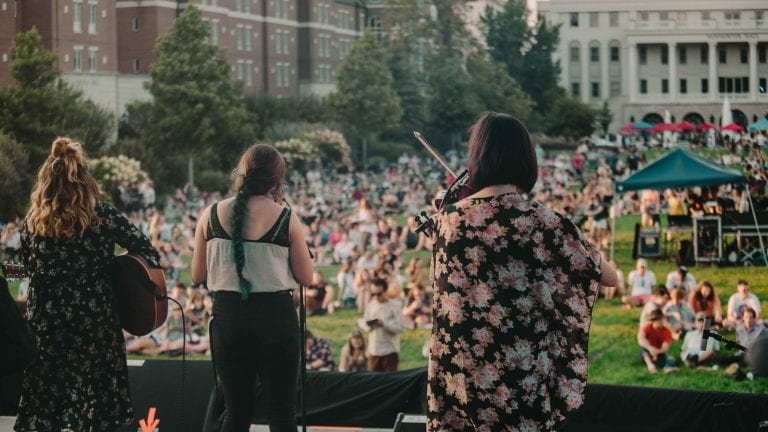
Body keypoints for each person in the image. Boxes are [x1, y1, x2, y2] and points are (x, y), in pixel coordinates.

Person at [427, 113, 617, 431]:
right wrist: (571, 233)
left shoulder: (447, 221)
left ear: (477, 156)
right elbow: (608, 276)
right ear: (526, 159)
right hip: (519, 382)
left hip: (459, 380)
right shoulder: (544, 221)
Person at [15, 137, 160, 432]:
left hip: (47, 318)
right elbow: (146, 250)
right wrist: (114, 270)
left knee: (49, 395)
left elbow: (30, 268)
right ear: (85, 180)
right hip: (94, 318)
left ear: (45, 182)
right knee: (98, 400)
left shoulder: (32, 221)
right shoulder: (101, 217)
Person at [191, 144, 313, 432]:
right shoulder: (285, 217)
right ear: (277, 180)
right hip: (276, 319)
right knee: (282, 412)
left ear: (242, 174)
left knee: (236, 410)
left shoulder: (209, 215)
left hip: (229, 318)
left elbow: (197, 273)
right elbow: (306, 278)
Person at [360, 278, 404, 372]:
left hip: (390, 351)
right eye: (373, 294)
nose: (376, 297)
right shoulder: (370, 305)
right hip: (373, 350)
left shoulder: (395, 306)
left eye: (378, 294)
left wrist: (384, 324)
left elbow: (400, 328)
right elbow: (364, 325)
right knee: (373, 383)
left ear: (385, 291)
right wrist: (369, 324)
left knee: (390, 383)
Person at [638, 309, 677, 373]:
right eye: (656, 320)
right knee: (643, 348)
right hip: (648, 353)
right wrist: (650, 349)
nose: (659, 321)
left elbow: (665, 348)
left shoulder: (666, 332)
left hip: (659, 353)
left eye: (660, 319)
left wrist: (656, 352)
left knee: (671, 360)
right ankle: (650, 365)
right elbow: (640, 338)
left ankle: (667, 368)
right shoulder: (647, 328)